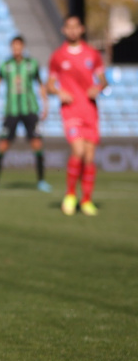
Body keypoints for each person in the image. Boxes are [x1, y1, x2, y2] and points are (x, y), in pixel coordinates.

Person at [46, 15, 107, 216]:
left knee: (89, 157)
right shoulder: (58, 56)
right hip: (70, 110)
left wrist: (98, 88)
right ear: (64, 30)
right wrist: (59, 92)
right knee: (78, 151)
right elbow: (50, 85)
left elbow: (103, 80)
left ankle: (87, 199)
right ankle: (71, 194)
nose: (72, 30)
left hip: (90, 109)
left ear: (81, 29)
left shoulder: (93, 54)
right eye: (68, 27)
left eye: (76, 27)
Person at [0, 35, 50, 193]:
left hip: (30, 110)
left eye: (19, 46)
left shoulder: (32, 64)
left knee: (37, 144)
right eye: (14, 47)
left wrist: (45, 105)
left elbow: (41, 85)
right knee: (2, 145)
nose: (16, 49)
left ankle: (41, 181)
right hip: (11, 111)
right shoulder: (5, 65)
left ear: (23, 47)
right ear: (11, 48)